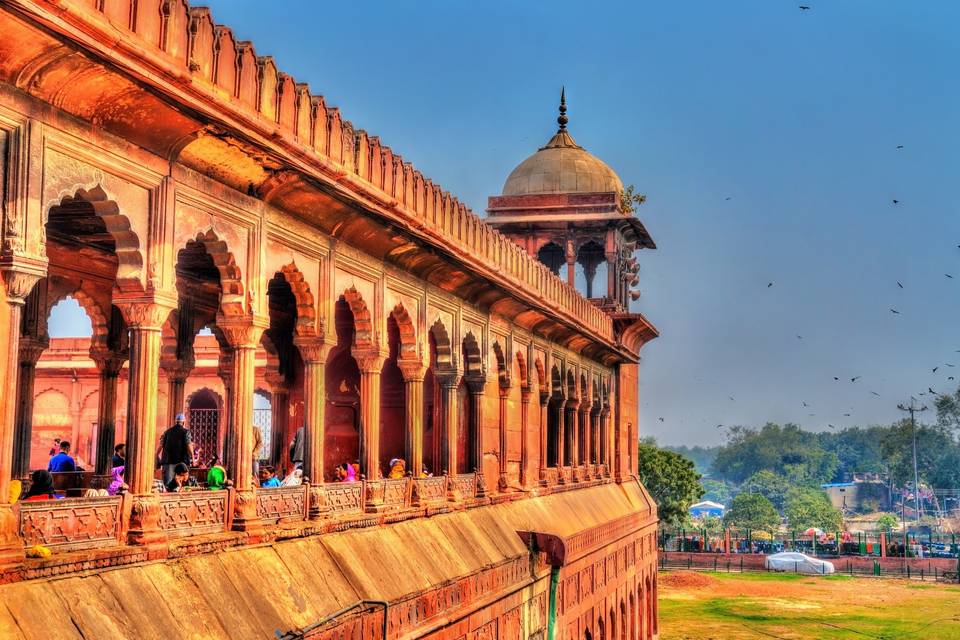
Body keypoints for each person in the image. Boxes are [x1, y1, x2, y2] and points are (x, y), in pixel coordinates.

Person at [157, 413, 194, 485]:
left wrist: (157, 454)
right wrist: (192, 457)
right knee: (181, 484)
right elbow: (189, 445)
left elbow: (161, 445)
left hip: (168, 462)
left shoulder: (167, 432)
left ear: (176, 421)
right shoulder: (186, 432)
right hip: (181, 462)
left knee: (168, 484)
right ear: (183, 422)